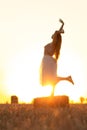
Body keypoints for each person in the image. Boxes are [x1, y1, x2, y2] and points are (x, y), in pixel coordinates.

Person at [40, 19, 74, 96]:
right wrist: (62, 26)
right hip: (48, 60)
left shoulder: (54, 42)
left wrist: (62, 25)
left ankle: (67, 79)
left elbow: (58, 32)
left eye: (55, 35)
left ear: (56, 37)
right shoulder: (54, 44)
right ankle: (66, 79)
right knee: (52, 78)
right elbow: (58, 32)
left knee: (51, 78)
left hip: (47, 60)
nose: (53, 34)